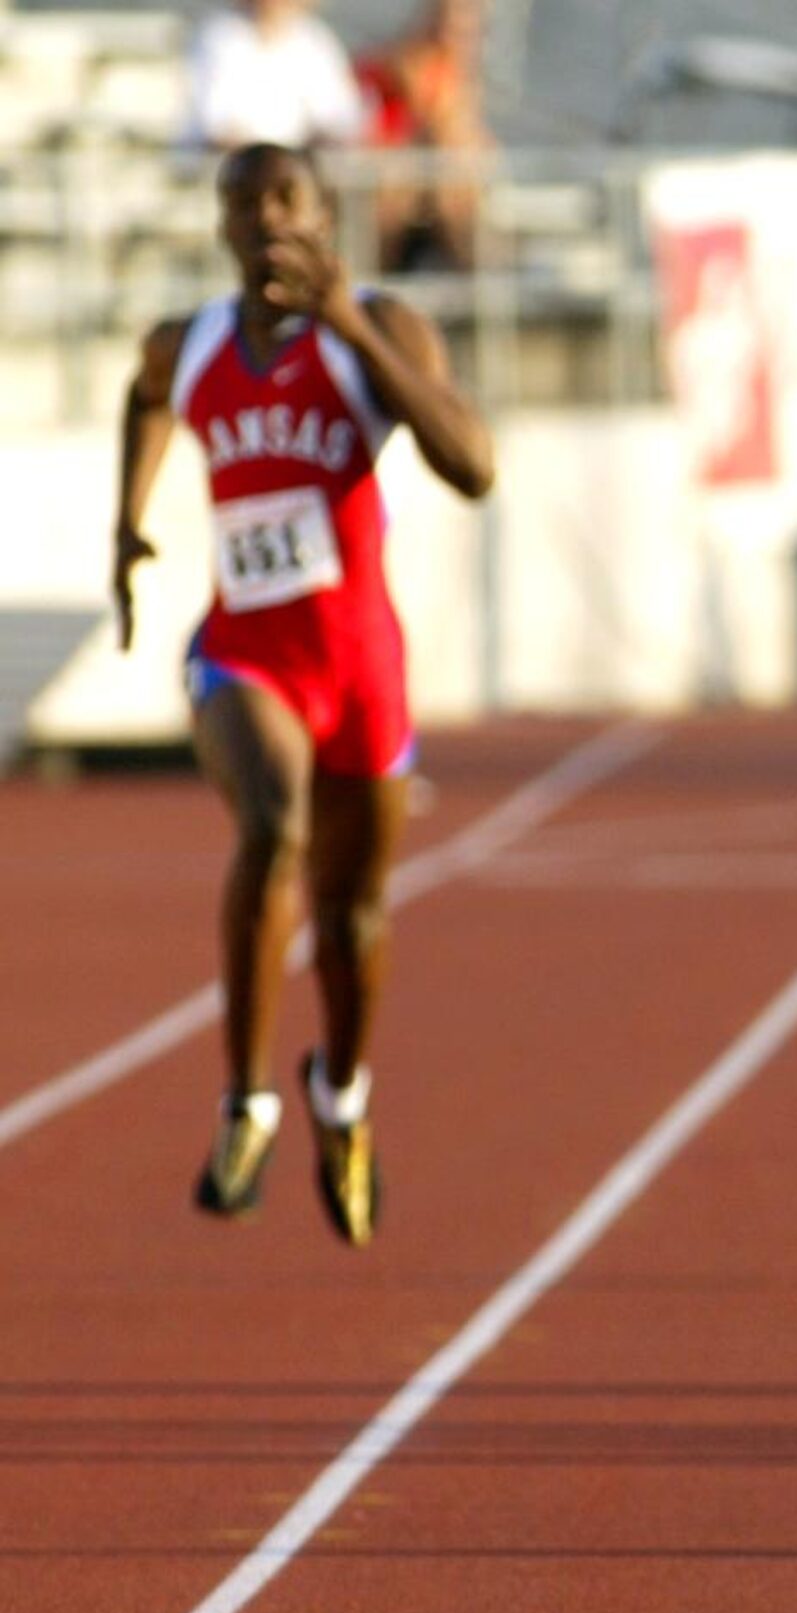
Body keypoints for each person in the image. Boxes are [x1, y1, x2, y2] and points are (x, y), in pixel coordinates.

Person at [111, 142, 497, 1244]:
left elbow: (474, 466)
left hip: (361, 669)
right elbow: (141, 398)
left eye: (287, 200)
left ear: (327, 217)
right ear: (222, 224)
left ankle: (344, 1095)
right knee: (272, 828)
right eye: (244, 203)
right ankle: (247, 1101)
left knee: (354, 917)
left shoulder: (382, 328)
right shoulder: (186, 347)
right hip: (244, 653)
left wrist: (356, 327)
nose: (265, 219)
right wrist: (127, 519)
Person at [354, 0, 493, 272]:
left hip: (424, 177)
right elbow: (424, 126)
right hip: (386, 172)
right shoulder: (413, 64)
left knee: (457, 188)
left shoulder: (455, 74)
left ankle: (478, 278)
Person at [184, 0, 364, 151]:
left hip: (295, 169)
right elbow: (218, 127)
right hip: (227, 171)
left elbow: (339, 118)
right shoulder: (219, 36)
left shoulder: (317, 41)